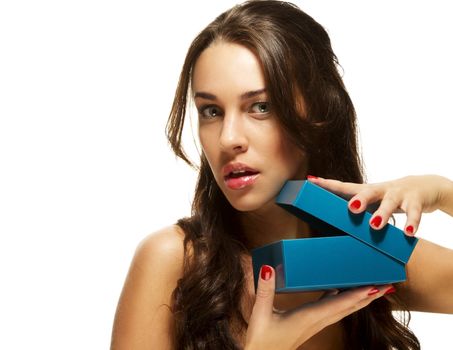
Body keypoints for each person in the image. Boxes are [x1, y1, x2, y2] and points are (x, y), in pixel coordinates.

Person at [111, 1, 453, 348]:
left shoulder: (369, 257)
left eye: (260, 106)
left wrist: (444, 193)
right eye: (211, 111)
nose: (228, 139)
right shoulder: (171, 261)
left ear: (318, 112)